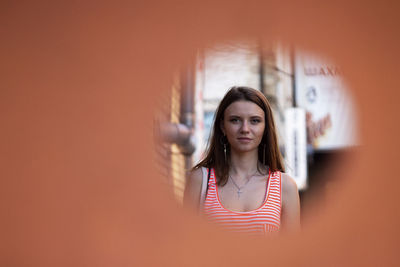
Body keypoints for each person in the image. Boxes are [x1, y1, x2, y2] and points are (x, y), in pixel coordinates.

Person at [184, 86, 300, 234]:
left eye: (255, 121)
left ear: (265, 128)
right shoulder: (200, 181)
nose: (245, 128)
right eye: (235, 120)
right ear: (222, 126)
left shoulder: (285, 186)